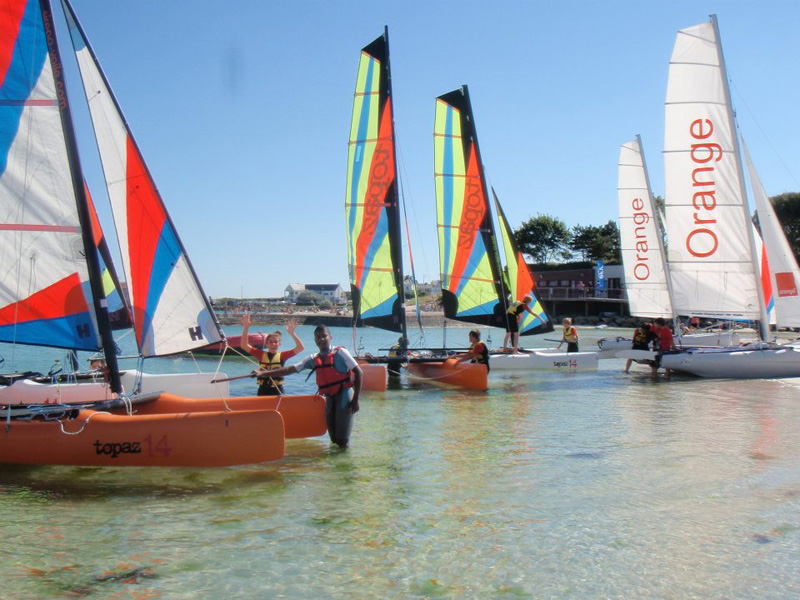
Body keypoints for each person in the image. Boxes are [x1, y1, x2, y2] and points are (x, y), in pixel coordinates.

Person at [254, 325, 362, 449]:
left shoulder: (340, 352)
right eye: (318, 337)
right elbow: (290, 369)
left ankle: (345, 464)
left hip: (345, 397)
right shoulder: (313, 359)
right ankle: (333, 466)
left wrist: (355, 400)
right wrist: (263, 373)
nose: (321, 339)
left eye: (324, 336)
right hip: (330, 398)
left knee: (343, 441)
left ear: (330, 337)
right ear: (315, 340)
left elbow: (359, 372)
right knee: (333, 439)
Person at [240, 313, 304, 396]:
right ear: (266, 344)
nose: (273, 344)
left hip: (277, 391)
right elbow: (244, 346)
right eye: (270, 342)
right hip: (262, 390)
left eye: (276, 342)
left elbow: (301, 347)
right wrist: (245, 327)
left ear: (279, 344)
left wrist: (292, 333)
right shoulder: (260, 354)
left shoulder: (283, 356)